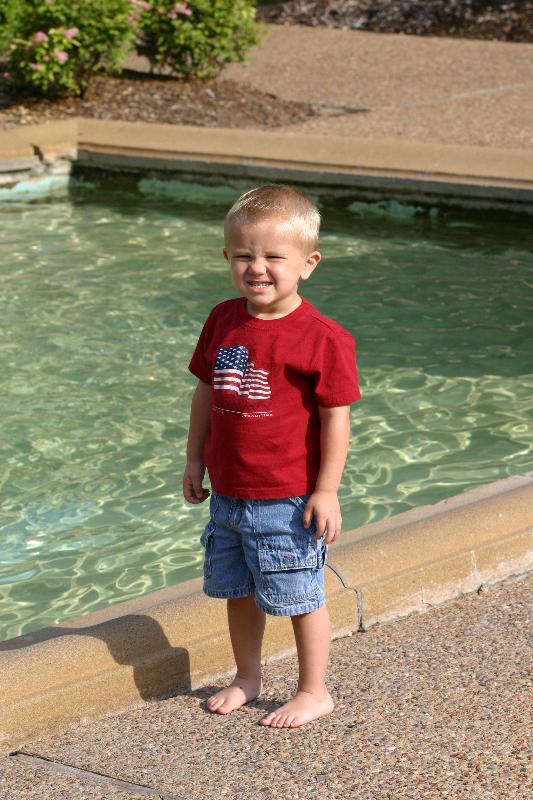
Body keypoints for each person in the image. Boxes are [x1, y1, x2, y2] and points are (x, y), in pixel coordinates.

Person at [182, 184, 361, 728]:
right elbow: (205, 392)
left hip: (288, 498)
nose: (257, 267)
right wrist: (194, 459)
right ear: (227, 257)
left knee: (301, 594)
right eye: (243, 255)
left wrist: (326, 490)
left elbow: (336, 418)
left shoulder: (323, 338)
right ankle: (247, 676)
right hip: (229, 493)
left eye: (273, 257)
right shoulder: (222, 320)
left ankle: (314, 690)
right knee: (238, 591)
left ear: (308, 263)